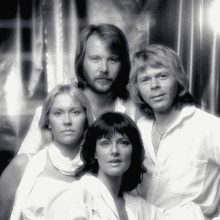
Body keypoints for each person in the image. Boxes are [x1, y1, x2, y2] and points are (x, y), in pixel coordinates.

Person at [129, 44, 220, 219]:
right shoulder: (138, 129)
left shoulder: (208, 127)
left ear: (177, 79)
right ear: (138, 88)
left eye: (162, 76)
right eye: (145, 79)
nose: (154, 85)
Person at [18, 23, 138, 155]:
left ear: (123, 64)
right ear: (82, 61)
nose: (104, 68)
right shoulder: (54, 111)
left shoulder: (135, 111)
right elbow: (22, 164)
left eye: (112, 60)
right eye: (95, 59)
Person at [44, 112, 164, 220]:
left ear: (133, 151)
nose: (115, 151)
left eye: (123, 143)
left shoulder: (142, 208)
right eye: (105, 143)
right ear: (94, 152)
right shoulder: (74, 196)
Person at [0, 84, 93, 220]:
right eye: (58, 113)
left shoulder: (96, 170)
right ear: (48, 121)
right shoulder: (23, 166)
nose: (67, 121)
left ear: (86, 119)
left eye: (75, 112)